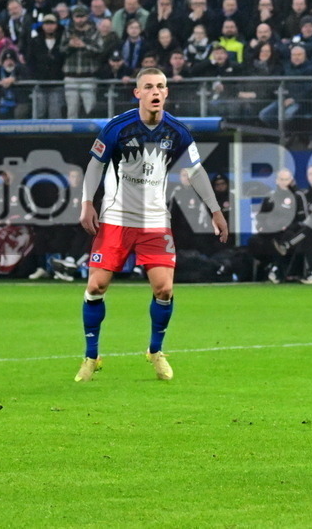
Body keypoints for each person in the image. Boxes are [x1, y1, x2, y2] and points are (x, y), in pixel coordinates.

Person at [75, 67, 228, 382]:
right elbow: (95, 164)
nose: (156, 91)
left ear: (166, 92)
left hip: (156, 221)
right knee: (95, 287)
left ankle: (155, 351)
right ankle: (91, 357)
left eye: (161, 86)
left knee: (164, 288)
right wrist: (87, 202)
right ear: (138, 93)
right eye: (149, 86)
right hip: (116, 218)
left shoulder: (178, 132)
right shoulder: (117, 127)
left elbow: (196, 171)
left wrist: (215, 209)